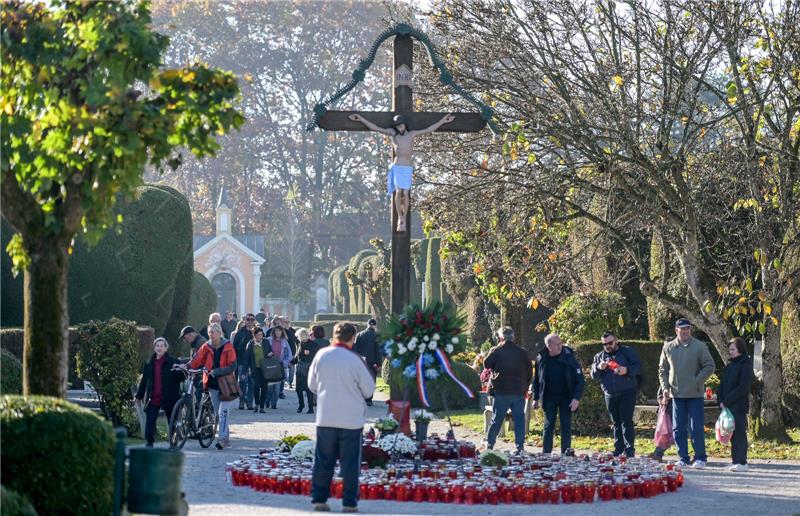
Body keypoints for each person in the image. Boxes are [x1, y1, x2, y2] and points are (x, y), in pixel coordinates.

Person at [308, 322, 376, 513]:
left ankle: (319, 498)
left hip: (326, 416)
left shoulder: (322, 355)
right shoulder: (355, 359)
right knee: (350, 463)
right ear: (352, 338)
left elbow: (312, 385)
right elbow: (369, 389)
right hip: (350, 418)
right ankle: (349, 502)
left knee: (323, 460)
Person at [347, 112, 456, 232]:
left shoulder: (412, 134)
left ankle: (403, 217)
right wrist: (360, 119)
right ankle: (401, 218)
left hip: (407, 167)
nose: (400, 128)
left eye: (401, 125)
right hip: (398, 166)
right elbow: (375, 128)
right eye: (397, 126)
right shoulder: (393, 134)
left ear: (404, 124)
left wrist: (443, 121)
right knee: (399, 192)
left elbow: (429, 129)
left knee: (406, 192)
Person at [659, 318, 715, 469]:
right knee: (678, 428)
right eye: (682, 329)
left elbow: (710, 366)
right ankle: (683, 457)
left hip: (695, 395)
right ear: (676, 330)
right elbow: (662, 370)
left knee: (696, 427)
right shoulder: (668, 348)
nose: (685, 331)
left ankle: (700, 458)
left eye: (687, 329)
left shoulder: (699, 346)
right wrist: (665, 388)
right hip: (676, 395)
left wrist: (696, 381)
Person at [590, 330, 642, 457]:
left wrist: (627, 370)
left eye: (610, 343)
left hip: (627, 392)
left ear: (616, 341)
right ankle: (618, 449)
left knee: (626, 421)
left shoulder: (627, 352)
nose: (608, 346)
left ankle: (629, 450)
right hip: (610, 394)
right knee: (615, 422)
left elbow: (638, 367)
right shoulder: (599, 356)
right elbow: (593, 375)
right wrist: (598, 368)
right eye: (605, 344)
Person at [185, 322, 237, 450]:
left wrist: (217, 371)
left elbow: (232, 366)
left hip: (226, 383)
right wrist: (186, 366)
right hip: (212, 384)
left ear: (220, 333)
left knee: (222, 411)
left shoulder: (228, 346)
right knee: (218, 414)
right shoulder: (206, 347)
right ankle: (226, 438)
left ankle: (222, 440)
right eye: (209, 333)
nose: (211, 335)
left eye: (213, 332)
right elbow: (196, 360)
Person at [531, 333, 585, 454]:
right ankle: (546, 454)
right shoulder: (541, 358)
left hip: (566, 397)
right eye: (557, 344)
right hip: (549, 397)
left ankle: (566, 453)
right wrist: (535, 398)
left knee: (565, 425)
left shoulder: (569, 357)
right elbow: (536, 380)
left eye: (561, 343)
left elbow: (580, 379)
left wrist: (576, 398)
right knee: (548, 426)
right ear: (549, 346)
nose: (561, 346)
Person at [483, 327, 533, 454]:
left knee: (497, 419)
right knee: (519, 420)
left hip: (501, 391)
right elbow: (529, 372)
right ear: (513, 337)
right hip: (518, 391)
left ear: (500, 338)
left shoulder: (497, 350)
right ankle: (519, 447)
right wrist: (525, 387)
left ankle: (490, 445)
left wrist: (494, 349)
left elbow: (486, 364)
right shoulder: (523, 352)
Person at [134, 337, 184, 447]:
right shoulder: (149, 363)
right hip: (154, 397)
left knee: (172, 421)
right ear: (154, 348)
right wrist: (139, 396)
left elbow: (181, 378)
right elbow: (144, 381)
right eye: (157, 346)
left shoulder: (173, 361)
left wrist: (181, 369)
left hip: (170, 397)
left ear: (166, 348)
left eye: (162, 346)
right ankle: (149, 442)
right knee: (150, 421)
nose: (159, 348)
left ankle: (173, 442)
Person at [718, 337, 754, 472]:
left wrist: (727, 400)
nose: (730, 352)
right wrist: (720, 399)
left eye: (733, 349)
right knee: (731, 433)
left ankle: (742, 461)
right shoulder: (731, 364)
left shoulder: (745, 364)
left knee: (740, 433)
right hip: (728, 405)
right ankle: (735, 460)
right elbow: (723, 383)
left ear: (740, 349)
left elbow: (743, 387)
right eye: (730, 349)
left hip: (738, 405)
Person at [291, 328, 319, 414]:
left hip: (309, 369)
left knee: (308, 389)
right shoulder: (300, 344)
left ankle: (310, 408)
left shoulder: (313, 345)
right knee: (299, 389)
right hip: (300, 369)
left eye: (298, 336)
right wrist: (291, 362)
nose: (297, 338)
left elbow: (317, 356)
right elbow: (297, 356)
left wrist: (310, 354)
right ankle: (301, 405)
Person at [354, 318, 382, 407]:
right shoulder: (377, 336)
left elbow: (355, 349)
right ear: (374, 325)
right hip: (372, 362)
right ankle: (369, 399)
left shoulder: (359, 335)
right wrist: (379, 364)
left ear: (367, 324)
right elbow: (378, 351)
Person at [178, 325, 206, 407]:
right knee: (198, 393)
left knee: (199, 394)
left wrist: (185, 365)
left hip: (201, 373)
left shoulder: (200, 343)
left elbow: (197, 360)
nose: (185, 340)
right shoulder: (195, 342)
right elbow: (193, 359)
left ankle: (200, 414)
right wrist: (180, 360)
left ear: (191, 335)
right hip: (198, 372)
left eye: (185, 338)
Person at [265, 325, 292, 409]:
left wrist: (286, 362)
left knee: (277, 388)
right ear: (274, 332)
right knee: (270, 387)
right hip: (270, 365)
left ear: (282, 332)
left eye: (279, 331)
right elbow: (264, 351)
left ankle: (274, 403)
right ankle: (267, 400)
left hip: (280, 365)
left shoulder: (284, 342)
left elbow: (289, 354)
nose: (278, 333)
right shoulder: (268, 340)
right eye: (276, 331)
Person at [233, 314, 256, 410]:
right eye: (248, 319)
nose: (250, 321)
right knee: (242, 382)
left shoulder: (257, 332)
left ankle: (249, 401)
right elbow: (234, 348)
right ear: (245, 321)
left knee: (252, 383)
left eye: (252, 319)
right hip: (242, 361)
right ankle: (242, 400)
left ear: (254, 321)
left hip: (254, 362)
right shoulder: (240, 333)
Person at [244, 327, 269, 413]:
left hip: (265, 368)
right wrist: (244, 371)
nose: (260, 336)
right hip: (255, 369)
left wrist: (270, 353)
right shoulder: (250, 344)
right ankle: (257, 404)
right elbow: (246, 359)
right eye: (258, 335)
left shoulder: (266, 342)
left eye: (261, 334)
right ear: (254, 335)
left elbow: (270, 351)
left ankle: (262, 406)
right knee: (256, 386)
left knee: (264, 387)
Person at [282, 316, 299, 389]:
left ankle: (290, 382)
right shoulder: (281, 331)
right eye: (285, 322)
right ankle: (286, 380)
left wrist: (298, 351)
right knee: (284, 368)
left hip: (292, 352)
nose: (286, 323)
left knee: (292, 368)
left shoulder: (293, 331)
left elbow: (297, 342)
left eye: (288, 322)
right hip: (283, 352)